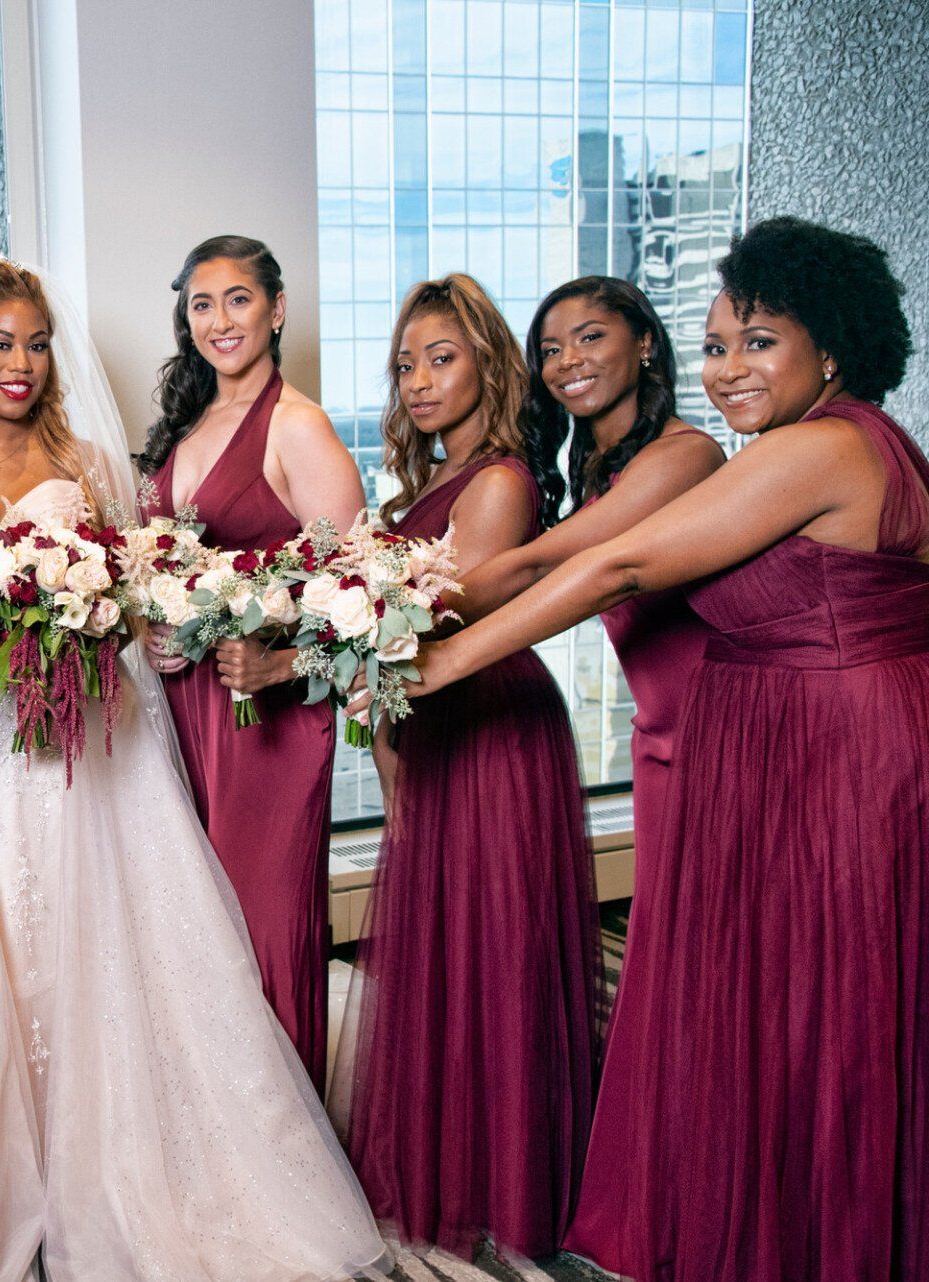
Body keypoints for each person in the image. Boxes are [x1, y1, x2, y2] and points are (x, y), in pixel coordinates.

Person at [0, 260, 385, 1281]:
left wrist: (99, 622)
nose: (21, 364)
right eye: (1, 343)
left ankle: (123, 1171)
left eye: (37, 343)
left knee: (106, 951)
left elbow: (137, 602)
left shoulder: (89, 460)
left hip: (81, 747)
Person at [375, 218, 928, 1281]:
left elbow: (617, 565)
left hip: (835, 759)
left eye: (758, 343)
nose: (728, 370)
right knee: (826, 1012)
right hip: (831, 749)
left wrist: (434, 667)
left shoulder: (824, 445)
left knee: (824, 1012)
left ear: (835, 347)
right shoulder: (861, 444)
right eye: (718, 345)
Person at [340, 274, 599, 1258]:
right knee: (449, 947)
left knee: (492, 950)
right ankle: (454, 1165)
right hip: (438, 730)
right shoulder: (418, 492)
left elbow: (456, 625)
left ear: (487, 361)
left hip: (491, 726)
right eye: (405, 363)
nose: (416, 380)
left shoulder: (497, 481)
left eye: (439, 358)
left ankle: (506, 1180)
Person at [138, 234, 366, 1086]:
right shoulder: (191, 421)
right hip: (188, 712)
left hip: (264, 717)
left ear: (276, 310)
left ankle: (285, 1142)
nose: (220, 320)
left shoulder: (296, 425)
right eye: (203, 303)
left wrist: (279, 668)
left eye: (238, 299)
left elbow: (360, 599)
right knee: (192, 923)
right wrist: (155, 628)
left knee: (258, 923)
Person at [445, 277, 724, 921]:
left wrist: (389, 612)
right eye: (549, 350)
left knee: (707, 930)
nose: (567, 361)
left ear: (647, 343)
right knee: (670, 930)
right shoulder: (594, 471)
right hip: (658, 731)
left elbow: (546, 563)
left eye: (590, 337)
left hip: (714, 727)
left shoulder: (685, 457)